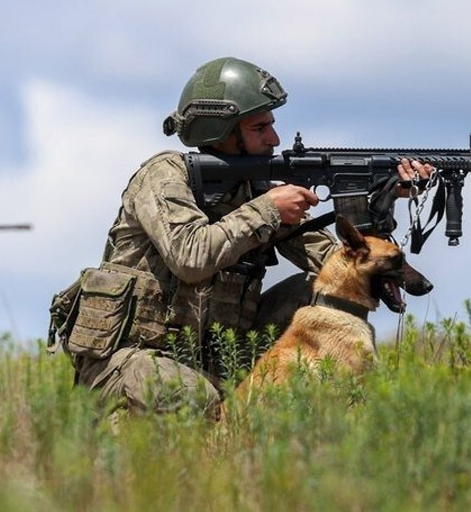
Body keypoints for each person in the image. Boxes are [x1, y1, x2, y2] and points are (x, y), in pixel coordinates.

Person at [51, 57, 431, 416]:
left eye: (272, 125)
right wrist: (267, 209)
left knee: (312, 289)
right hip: (129, 361)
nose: (275, 139)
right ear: (220, 132)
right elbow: (190, 257)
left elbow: (342, 270)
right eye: (259, 128)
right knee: (194, 397)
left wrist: (381, 199)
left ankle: (336, 403)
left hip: (214, 363)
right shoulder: (164, 176)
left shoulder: (254, 190)